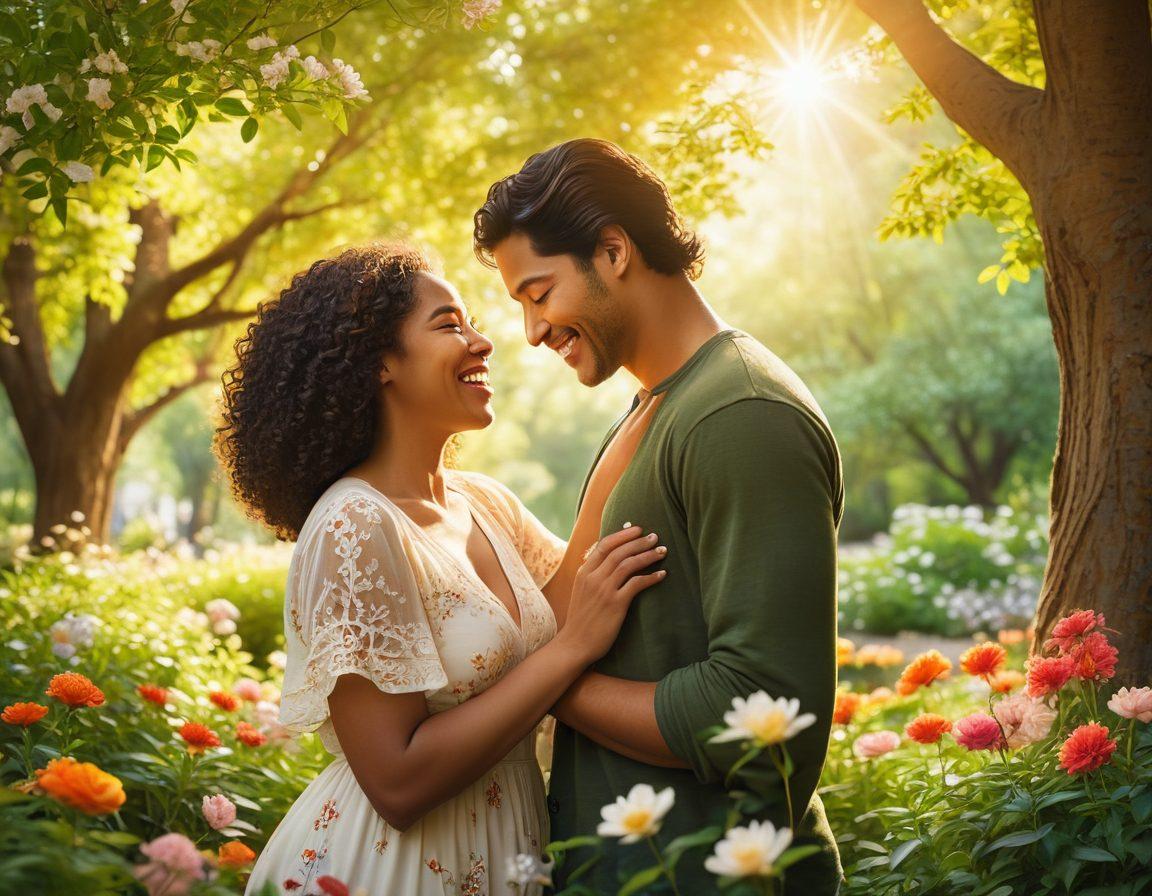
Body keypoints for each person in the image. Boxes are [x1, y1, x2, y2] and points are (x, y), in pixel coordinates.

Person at [213, 243, 666, 895]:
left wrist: (638, 427)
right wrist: (569, 652)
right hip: (385, 871)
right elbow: (398, 783)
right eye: (450, 324)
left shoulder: (482, 500)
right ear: (378, 363)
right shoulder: (354, 527)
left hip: (504, 851)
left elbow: (569, 605)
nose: (483, 342)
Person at [473, 138, 845, 894]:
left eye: (538, 294)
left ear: (613, 250)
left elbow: (761, 713)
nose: (531, 332)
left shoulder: (739, 414)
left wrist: (550, 674)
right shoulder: (657, 406)